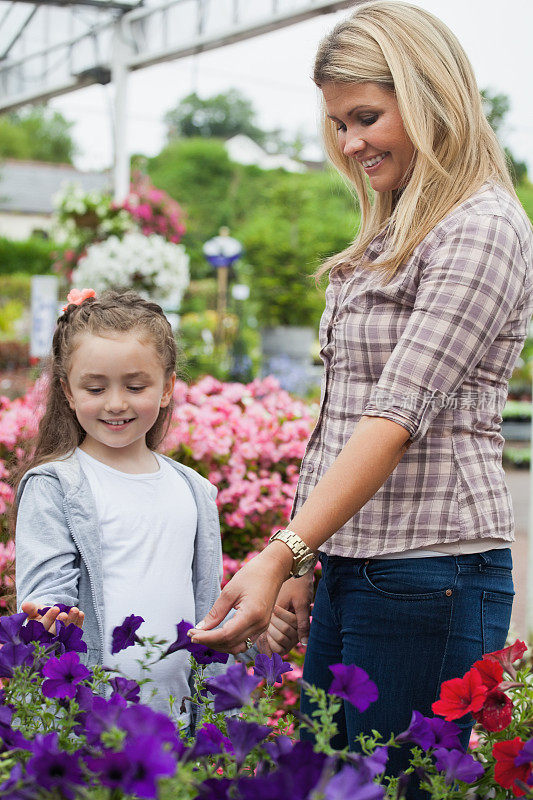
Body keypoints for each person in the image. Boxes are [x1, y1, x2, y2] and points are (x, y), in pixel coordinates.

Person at [187, 0, 533, 783]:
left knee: (387, 786)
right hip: (360, 568)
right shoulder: (394, 229)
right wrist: (309, 564)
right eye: (338, 124)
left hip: (430, 575)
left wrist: (281, 553)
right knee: (335, 787)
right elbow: (339, 413)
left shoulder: (480, 227)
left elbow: (391, 417)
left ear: (429, 96)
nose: (349, 144)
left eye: (367, 117)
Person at [15, 289, 297, 728]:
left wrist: (252, 634)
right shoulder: (56, 485)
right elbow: (46, 595)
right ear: (68, 393)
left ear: (166, 388)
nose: (115, 403)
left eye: (135, 385)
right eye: (94, 387)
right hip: (88, 723)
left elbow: (207, 604)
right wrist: (49, 621)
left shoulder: (193, 489)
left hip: (181, 720)